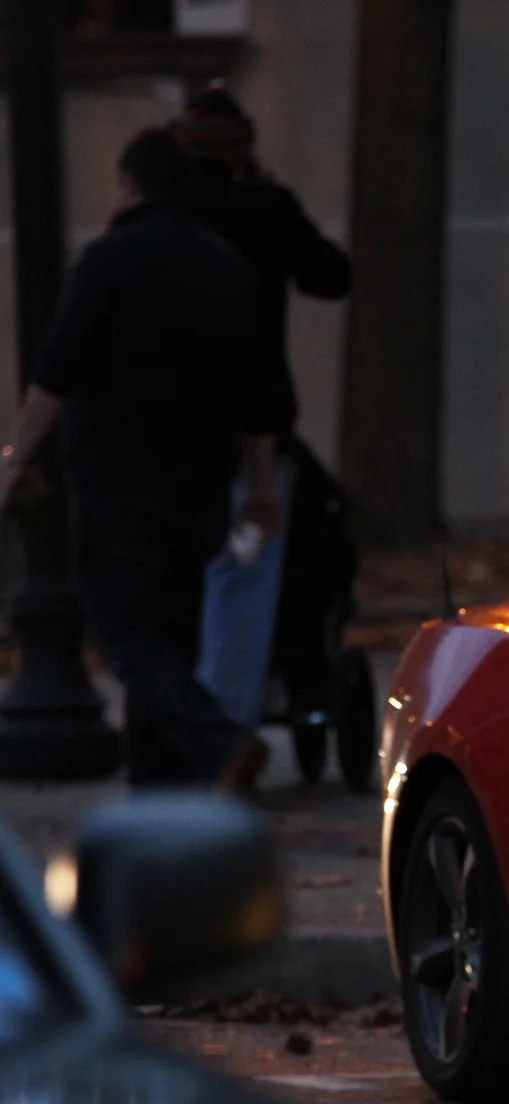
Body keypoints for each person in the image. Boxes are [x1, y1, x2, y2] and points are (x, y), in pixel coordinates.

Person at [0, 127, 278, 789]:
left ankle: (216, 742)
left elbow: (56, 371)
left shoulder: (109, 261)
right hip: (204, 473)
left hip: (119, 475)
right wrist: (261, 484)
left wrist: (15, 458)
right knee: (172, 634)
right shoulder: (226, 266)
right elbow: (259, 392)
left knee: (123, 628)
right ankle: (161, 790)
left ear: (129, 184)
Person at [173, 83, 352, 735]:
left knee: (190, 574)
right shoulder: (265, 209)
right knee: (249, 568)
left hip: (171, 424)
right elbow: (331, 276)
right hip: (256, 421)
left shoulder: (166, 218)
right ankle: (235, 720)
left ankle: (189, 715)